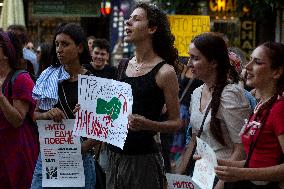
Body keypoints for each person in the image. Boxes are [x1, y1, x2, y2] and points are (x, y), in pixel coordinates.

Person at [106, 2, 181, 189]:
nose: (127, 22)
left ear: (152, 28)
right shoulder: (123, 65)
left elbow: (176, 123)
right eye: (129, 18)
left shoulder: (165, 71)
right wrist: (89, 110)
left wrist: (148, 125)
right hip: (113, 158)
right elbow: (114, 111)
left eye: (136, 19)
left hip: (143, 161)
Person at [176, 32, 251, 189]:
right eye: (189, 57)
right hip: (201, 176)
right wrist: (177, 175)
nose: (189, 63)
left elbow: (242, 148)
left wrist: (221, 184)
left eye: (196, 58)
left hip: (225, 179)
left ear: (214, 62)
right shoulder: (196, 93)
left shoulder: (231, 94)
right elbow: (194, 140)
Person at [31, 23, 96, 189]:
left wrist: (83, 147)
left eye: (65, 44)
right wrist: (47, 114)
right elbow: (35, 115)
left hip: (80, 157)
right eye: (57, 44)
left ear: (80, 48)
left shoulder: (92, 82)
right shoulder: (48, 76)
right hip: (50, 155)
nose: (59, 49)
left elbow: (104, 125)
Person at [215, 42, 284, 189]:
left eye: (257, 62)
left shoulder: (280, 109)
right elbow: (257, 161)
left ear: (277, 72)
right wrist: (218, 162)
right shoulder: (261, 106)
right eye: (250, 59)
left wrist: (242, 174)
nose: (247, 66)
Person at [0, 31, 39, 189]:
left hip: (17, 154)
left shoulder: (21, 79)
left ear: (7, 52)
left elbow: (17, 120)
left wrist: (1, 97)